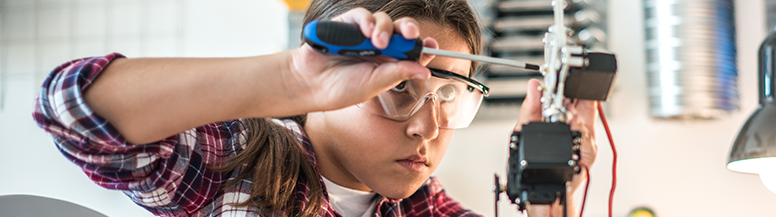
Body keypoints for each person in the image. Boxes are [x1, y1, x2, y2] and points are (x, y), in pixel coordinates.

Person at [32, 0, 597, 216]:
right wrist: (290, 78)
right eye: (399, 90)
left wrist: (550, 191)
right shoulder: (236, 160)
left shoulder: (421, 206)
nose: (429, 126)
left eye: (450, 96)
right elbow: (72, 110)